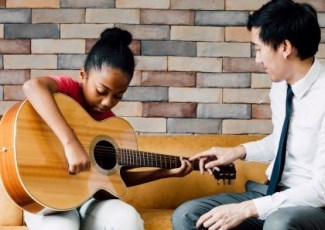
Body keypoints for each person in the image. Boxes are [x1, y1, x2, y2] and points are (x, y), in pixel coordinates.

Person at [172, 0, 325, 229]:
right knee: (189, 216)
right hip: (273, 193)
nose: (257, 59)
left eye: (259, 49)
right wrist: (236, 152)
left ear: (284, 47)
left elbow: (321, 190)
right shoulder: (281, 86)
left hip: (313, 205)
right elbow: (284, 140)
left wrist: (247, 209)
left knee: (278, 223)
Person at [22, 27, 192, 230]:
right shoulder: (68, 90)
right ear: (83, 75)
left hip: (88, 202)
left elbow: (115, 180)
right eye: (101, 91)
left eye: (118, 96)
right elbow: (32, 87)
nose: (107, 102)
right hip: (49, 199)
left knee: (127, 219)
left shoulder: (112, 125)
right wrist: (70, 143)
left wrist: (165, 173)